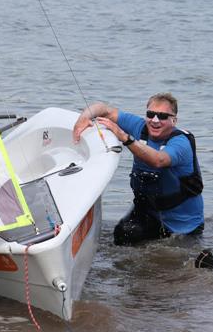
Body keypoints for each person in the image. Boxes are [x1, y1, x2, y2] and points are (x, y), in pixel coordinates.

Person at [73, 93, 204, 246]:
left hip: (184, 225)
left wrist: (124, 137)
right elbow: (103, 109)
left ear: (173, 120)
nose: (155, 120)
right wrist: (82, 119)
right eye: (151, 114)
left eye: (162, 116)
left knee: (177, 259)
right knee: (124, 234)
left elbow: (158, 160)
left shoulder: (181, 143)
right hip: (150, 213)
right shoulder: (139, 126)